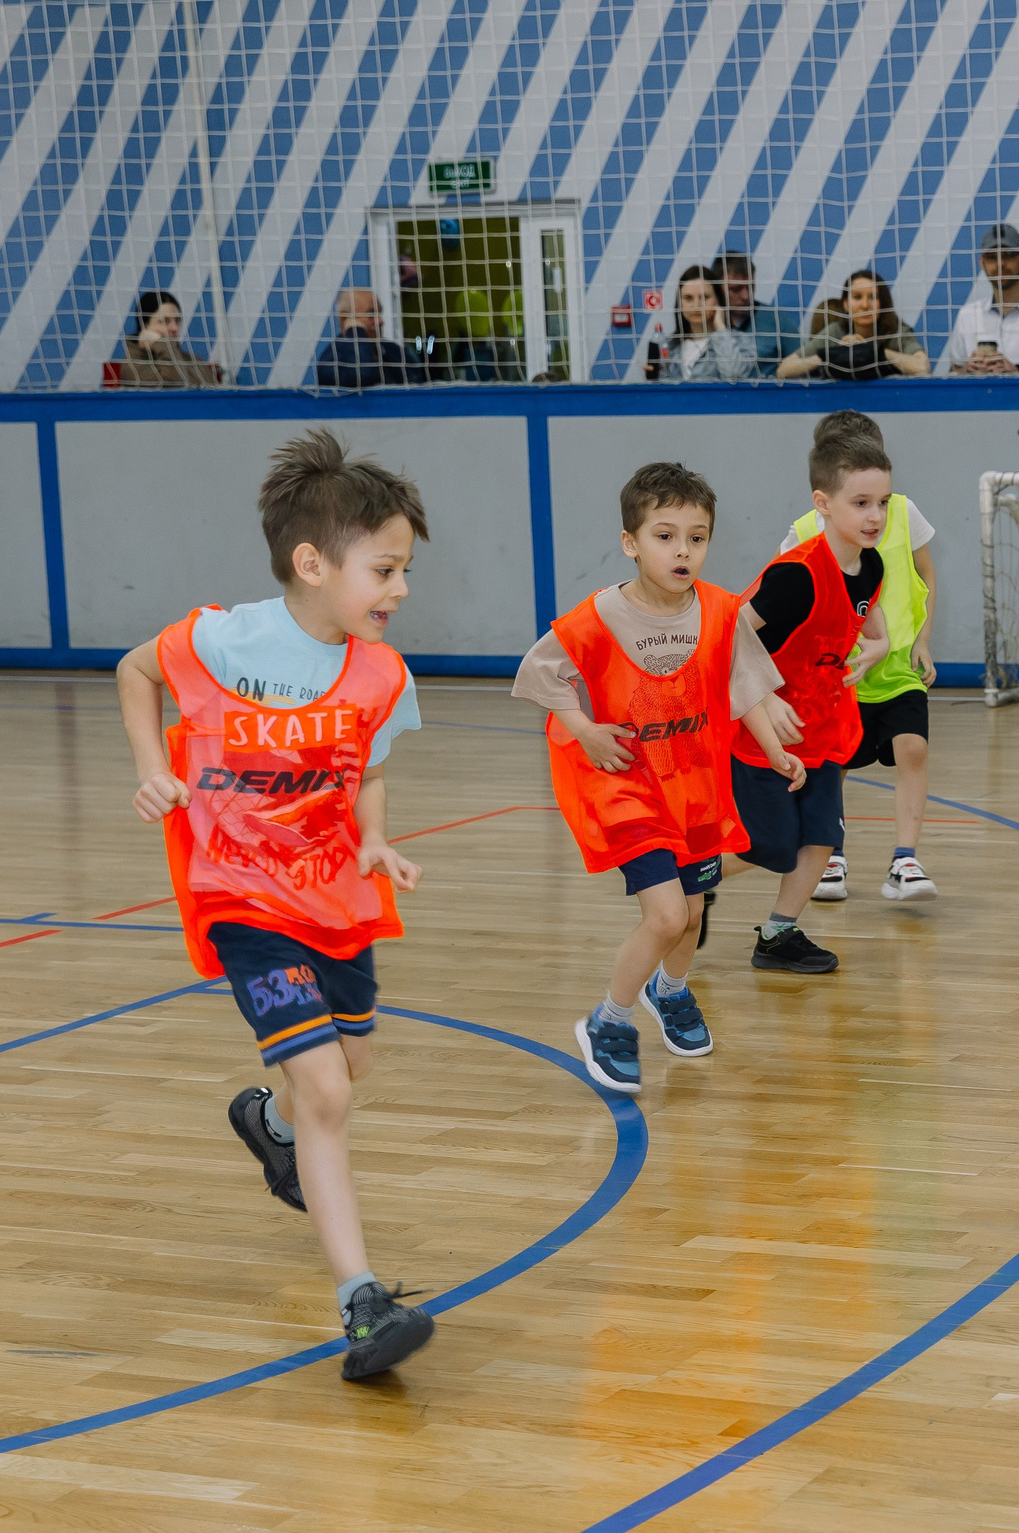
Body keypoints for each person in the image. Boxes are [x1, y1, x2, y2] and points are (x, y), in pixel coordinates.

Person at [111, 430, 436, 1377]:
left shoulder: (384, 674)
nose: (401, 589)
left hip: (337, 895)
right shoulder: (221, 638)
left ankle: (272, 1128)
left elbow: (368, 767)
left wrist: (374, 836)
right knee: (327, 1087)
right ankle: (362, 1302)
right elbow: (136, 672)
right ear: (311, 563)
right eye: (385, 569)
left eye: (404, 569)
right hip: (242, 896)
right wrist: (151, 769)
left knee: (351, 1066)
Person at [512, 462, 800, 1093]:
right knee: (667, 917)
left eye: (697, 537)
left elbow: (744, 685)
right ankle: (608, 1020)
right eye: (665, 536)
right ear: (630, 543)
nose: (683, 551)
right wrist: (585, 729)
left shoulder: (723, 612)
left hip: (693, 784)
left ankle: (669, 990)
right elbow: (540, 675)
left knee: (692, 913)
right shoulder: (596, 618)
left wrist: (774, 750)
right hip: (626, 786)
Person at [726, 429, 895, 972]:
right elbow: (730, 634)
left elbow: (865, 611)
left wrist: (880, 643)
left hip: (825, 727)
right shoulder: (795, 575)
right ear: (823, 503)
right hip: (766, 733)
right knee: (767, 845)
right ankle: (689, 877)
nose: (875, 516)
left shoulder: (871, 565)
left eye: (884, 503)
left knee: (821, 840)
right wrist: (765, 695)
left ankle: (778, 936)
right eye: (861, 503)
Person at [775, 411, 941, 905]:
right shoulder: (803, 533)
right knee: (835, 767)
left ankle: (905, 858)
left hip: (896, 670)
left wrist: (922, 639)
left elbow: (926, 576)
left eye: (880, 498)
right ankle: (833, 856)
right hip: (836, 676)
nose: (875, 510)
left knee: (913, 747)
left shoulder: (904, 514)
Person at [942, 222, 1019, 374]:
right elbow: (954, 370)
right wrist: (968, 369)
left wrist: (1018, 371)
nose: (1000, 263)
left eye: (1008, 255)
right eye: (992, 257)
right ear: (982, 263)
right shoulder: (968, 315)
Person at [779, 268, 930, 379]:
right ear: (845, 304)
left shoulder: (896, 331)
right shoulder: (836, 331)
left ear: (882, 303)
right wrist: (833, 354)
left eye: (873, 297)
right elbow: (783, 370)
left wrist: (876, 351)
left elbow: (923, 367)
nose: (865, 305)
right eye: (857, 297)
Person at [646, 266, 758, 382]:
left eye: (705, 297)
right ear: (679, 303)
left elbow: (734, 377)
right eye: (688, 298)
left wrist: (721, 329)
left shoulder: (741, 341)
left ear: (718, 300)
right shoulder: (667, 346)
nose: (696, 305)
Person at [314, 288, 422, 389]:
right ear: (346, 318)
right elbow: (363, 376)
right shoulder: (331, 360)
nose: (380, 321)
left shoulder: (394, 351)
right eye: (371, 315)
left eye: (380, 313)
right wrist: (356, 331)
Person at [114, 290, 221, 387]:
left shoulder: (196, 362)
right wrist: (161, 344)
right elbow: (175, 386)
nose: (175, 328)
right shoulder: (133, 366)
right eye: (165, 321)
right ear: (145, 326)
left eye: (177, 321)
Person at [709, 251, 797, 369]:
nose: (746, 296)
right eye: (736, 289)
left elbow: (803, 367)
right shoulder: (703, 319)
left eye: (751, 286)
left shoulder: (778, 320)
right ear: (718, 288)